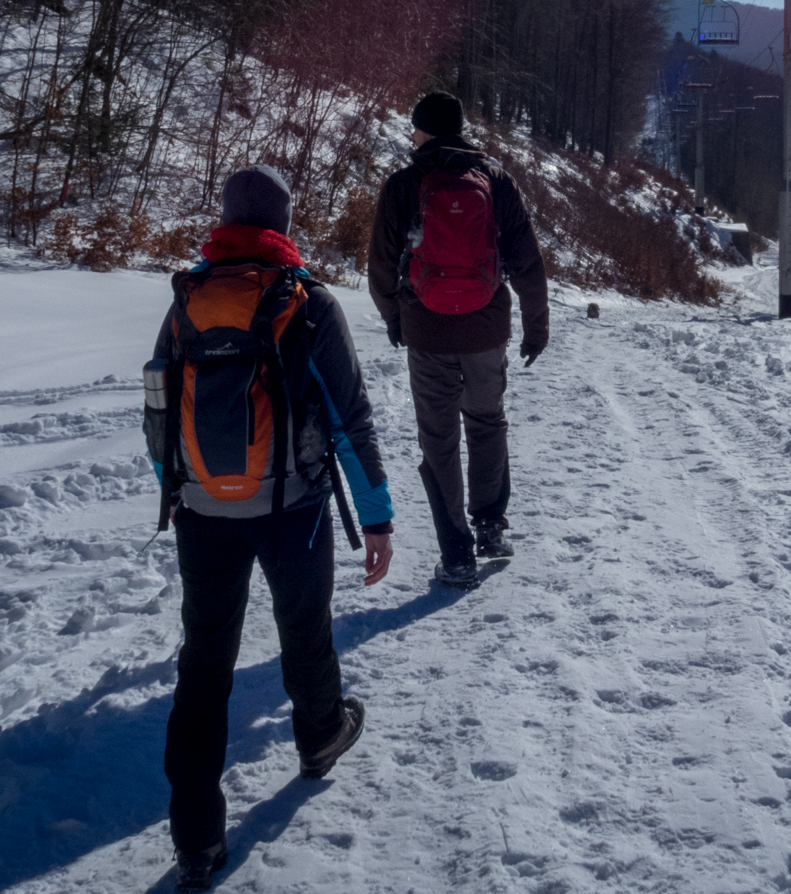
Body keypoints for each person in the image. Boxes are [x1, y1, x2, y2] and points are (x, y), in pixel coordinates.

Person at [144, 164, 394, 891]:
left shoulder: (185, 300)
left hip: (202, 514)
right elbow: (351, 417)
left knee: (205, 664)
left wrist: (177, 492)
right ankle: (319, 739)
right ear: (283, 225)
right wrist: (375, 518)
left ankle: (196, 839)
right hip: (294, 508)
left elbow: (158, 415)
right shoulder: (306, 302)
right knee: (304, 627)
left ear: (224, 221)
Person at [369, 92, 548, 588]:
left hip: (426, 330)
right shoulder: (495, 181)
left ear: (424, 132)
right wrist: (537, 327)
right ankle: (490, 527)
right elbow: (528, 262)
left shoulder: (405, 185)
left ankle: (457, 556)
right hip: (486, 330)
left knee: (439, 440)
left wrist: (394, 318)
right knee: (487, 421)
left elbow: (381, 266)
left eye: (414, 129)